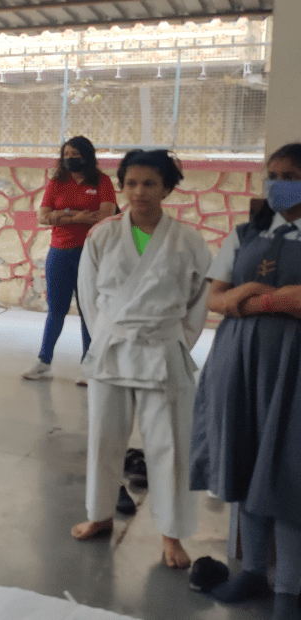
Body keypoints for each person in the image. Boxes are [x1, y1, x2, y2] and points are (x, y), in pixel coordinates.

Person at [72, 150, 210, 570]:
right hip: (113, 348)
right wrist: (107, 336)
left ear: (167, 188)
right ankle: (100, 514)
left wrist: (175, 342)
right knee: (104, 437)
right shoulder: (102, 235)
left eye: (149, 183)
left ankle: (171, 534)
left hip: (162, 351)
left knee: (170, 446)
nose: (139, 192)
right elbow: (88, 296)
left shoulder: (188, 241)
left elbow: (198, 303)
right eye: (131, 183)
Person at [190, 143, 301, 620]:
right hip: (239, 367)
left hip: (293, 375)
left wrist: (249, 298)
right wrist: (271, 299)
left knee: (289, 473)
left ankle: (289, 590)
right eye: (272, 175)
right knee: (246, 462)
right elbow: (214, 298)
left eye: (290, 176)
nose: (278, 184)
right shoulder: (244, 234)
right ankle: (253, 570)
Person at [23, 136, 117, 383]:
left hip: (91, 253)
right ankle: (44, 362)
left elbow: (106, 215)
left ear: (87, 156)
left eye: (75, 154)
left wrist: (61, 215)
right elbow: (43, 216)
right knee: (56, 309)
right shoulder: (57, 183)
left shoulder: (102, 182)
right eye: (66, 154)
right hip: (60, 252)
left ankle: (89, 365)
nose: (70, 158)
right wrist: (77, 216)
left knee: (88, 309)